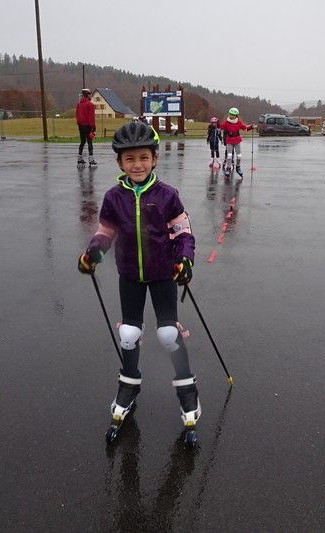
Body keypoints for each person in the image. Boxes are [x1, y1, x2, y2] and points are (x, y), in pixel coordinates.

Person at [77, 121, 200, 446]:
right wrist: (92, 254)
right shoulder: (113, 198)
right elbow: (106, 233)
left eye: (143, 157)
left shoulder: (167, 195)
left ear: (154, 159)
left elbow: (183, 233)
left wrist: (184, 260)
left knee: (168, 333)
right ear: (120, 163)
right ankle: (129, 385)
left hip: (162, 275)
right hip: (130, 275)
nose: (137, 164)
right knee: (129, 333)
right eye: (130, 159)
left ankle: (188, 391)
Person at [218, 107, 254, 177]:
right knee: (229, 155)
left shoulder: (238, 122)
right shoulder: (226, 123)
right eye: (231, 114)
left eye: (233, 115)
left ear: (236, 116)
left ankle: (238, 167)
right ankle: (228, 168)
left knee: (239, 155)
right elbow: (220, 127)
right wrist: (217, 124)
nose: (232, 116)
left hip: (237, 140)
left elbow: (245, 128)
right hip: (229, 140)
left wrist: (251, 127)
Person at [75, 88, 97, 166]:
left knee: (82, 141)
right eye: (90, 94)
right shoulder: (90, 105)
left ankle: (79, 158)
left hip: (80, 125)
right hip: (87, 126)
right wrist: (93, 127)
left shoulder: (79, 104)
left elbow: (77, 115)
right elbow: (91, 117)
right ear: (87, 95)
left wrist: (79, 123)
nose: (91, 95)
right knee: (90, 142)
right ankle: (91, 159)